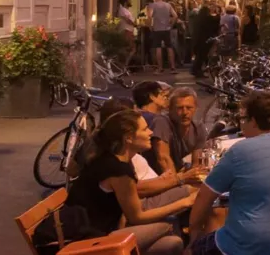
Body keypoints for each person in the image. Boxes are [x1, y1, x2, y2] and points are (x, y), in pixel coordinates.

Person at [187, 91, 270, 255]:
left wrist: (193, 235)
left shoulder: (240, 151)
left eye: (243, 120)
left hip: (253, 246)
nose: (241, 126)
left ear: (253, 121)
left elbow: (204, 197)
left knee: (199, 246)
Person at [66, 110, 198, 255]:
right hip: (90, 239)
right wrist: (186, 202)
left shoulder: (116, 158)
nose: (150, 132)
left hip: (106, 229)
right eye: (145, 129)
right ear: (128, 138)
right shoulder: (117, 169)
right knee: (166, 226)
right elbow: (137, 217)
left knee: (173, 244)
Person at [133, 80, 174, 174]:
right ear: (152, 97)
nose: (166, 98)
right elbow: (163, 158)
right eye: (162, 94)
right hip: (156, 174)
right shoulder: (159, 120)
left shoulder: (135, 117)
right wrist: (175, 180)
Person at [159, 88, 206, 169]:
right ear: (170, 109)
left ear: (195, 108)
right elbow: (163, 159)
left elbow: (196, 163)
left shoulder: (198, 127)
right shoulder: (162, 122)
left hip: (178, 173)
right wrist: (179, 180)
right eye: (179, 108)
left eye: (189, 107)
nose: (185, 112)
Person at [146, 0, 176, 73]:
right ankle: (172, 67)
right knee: (169, 47)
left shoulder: (152, 5)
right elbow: (175, 16)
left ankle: (160, 67)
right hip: (166, 29)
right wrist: (171, 25)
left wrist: (150, 26)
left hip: (157, 29)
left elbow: (149, 16)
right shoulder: (168, 5)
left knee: (158, 48)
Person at [188, 2, 219, 79]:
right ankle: (196, 70)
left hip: (198, 40)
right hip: (205, 40)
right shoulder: (207, 19)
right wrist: (218, 13)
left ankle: (197, 70)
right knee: (201, 56)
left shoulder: (198, 19)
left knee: (199, 56)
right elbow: (215, 22)